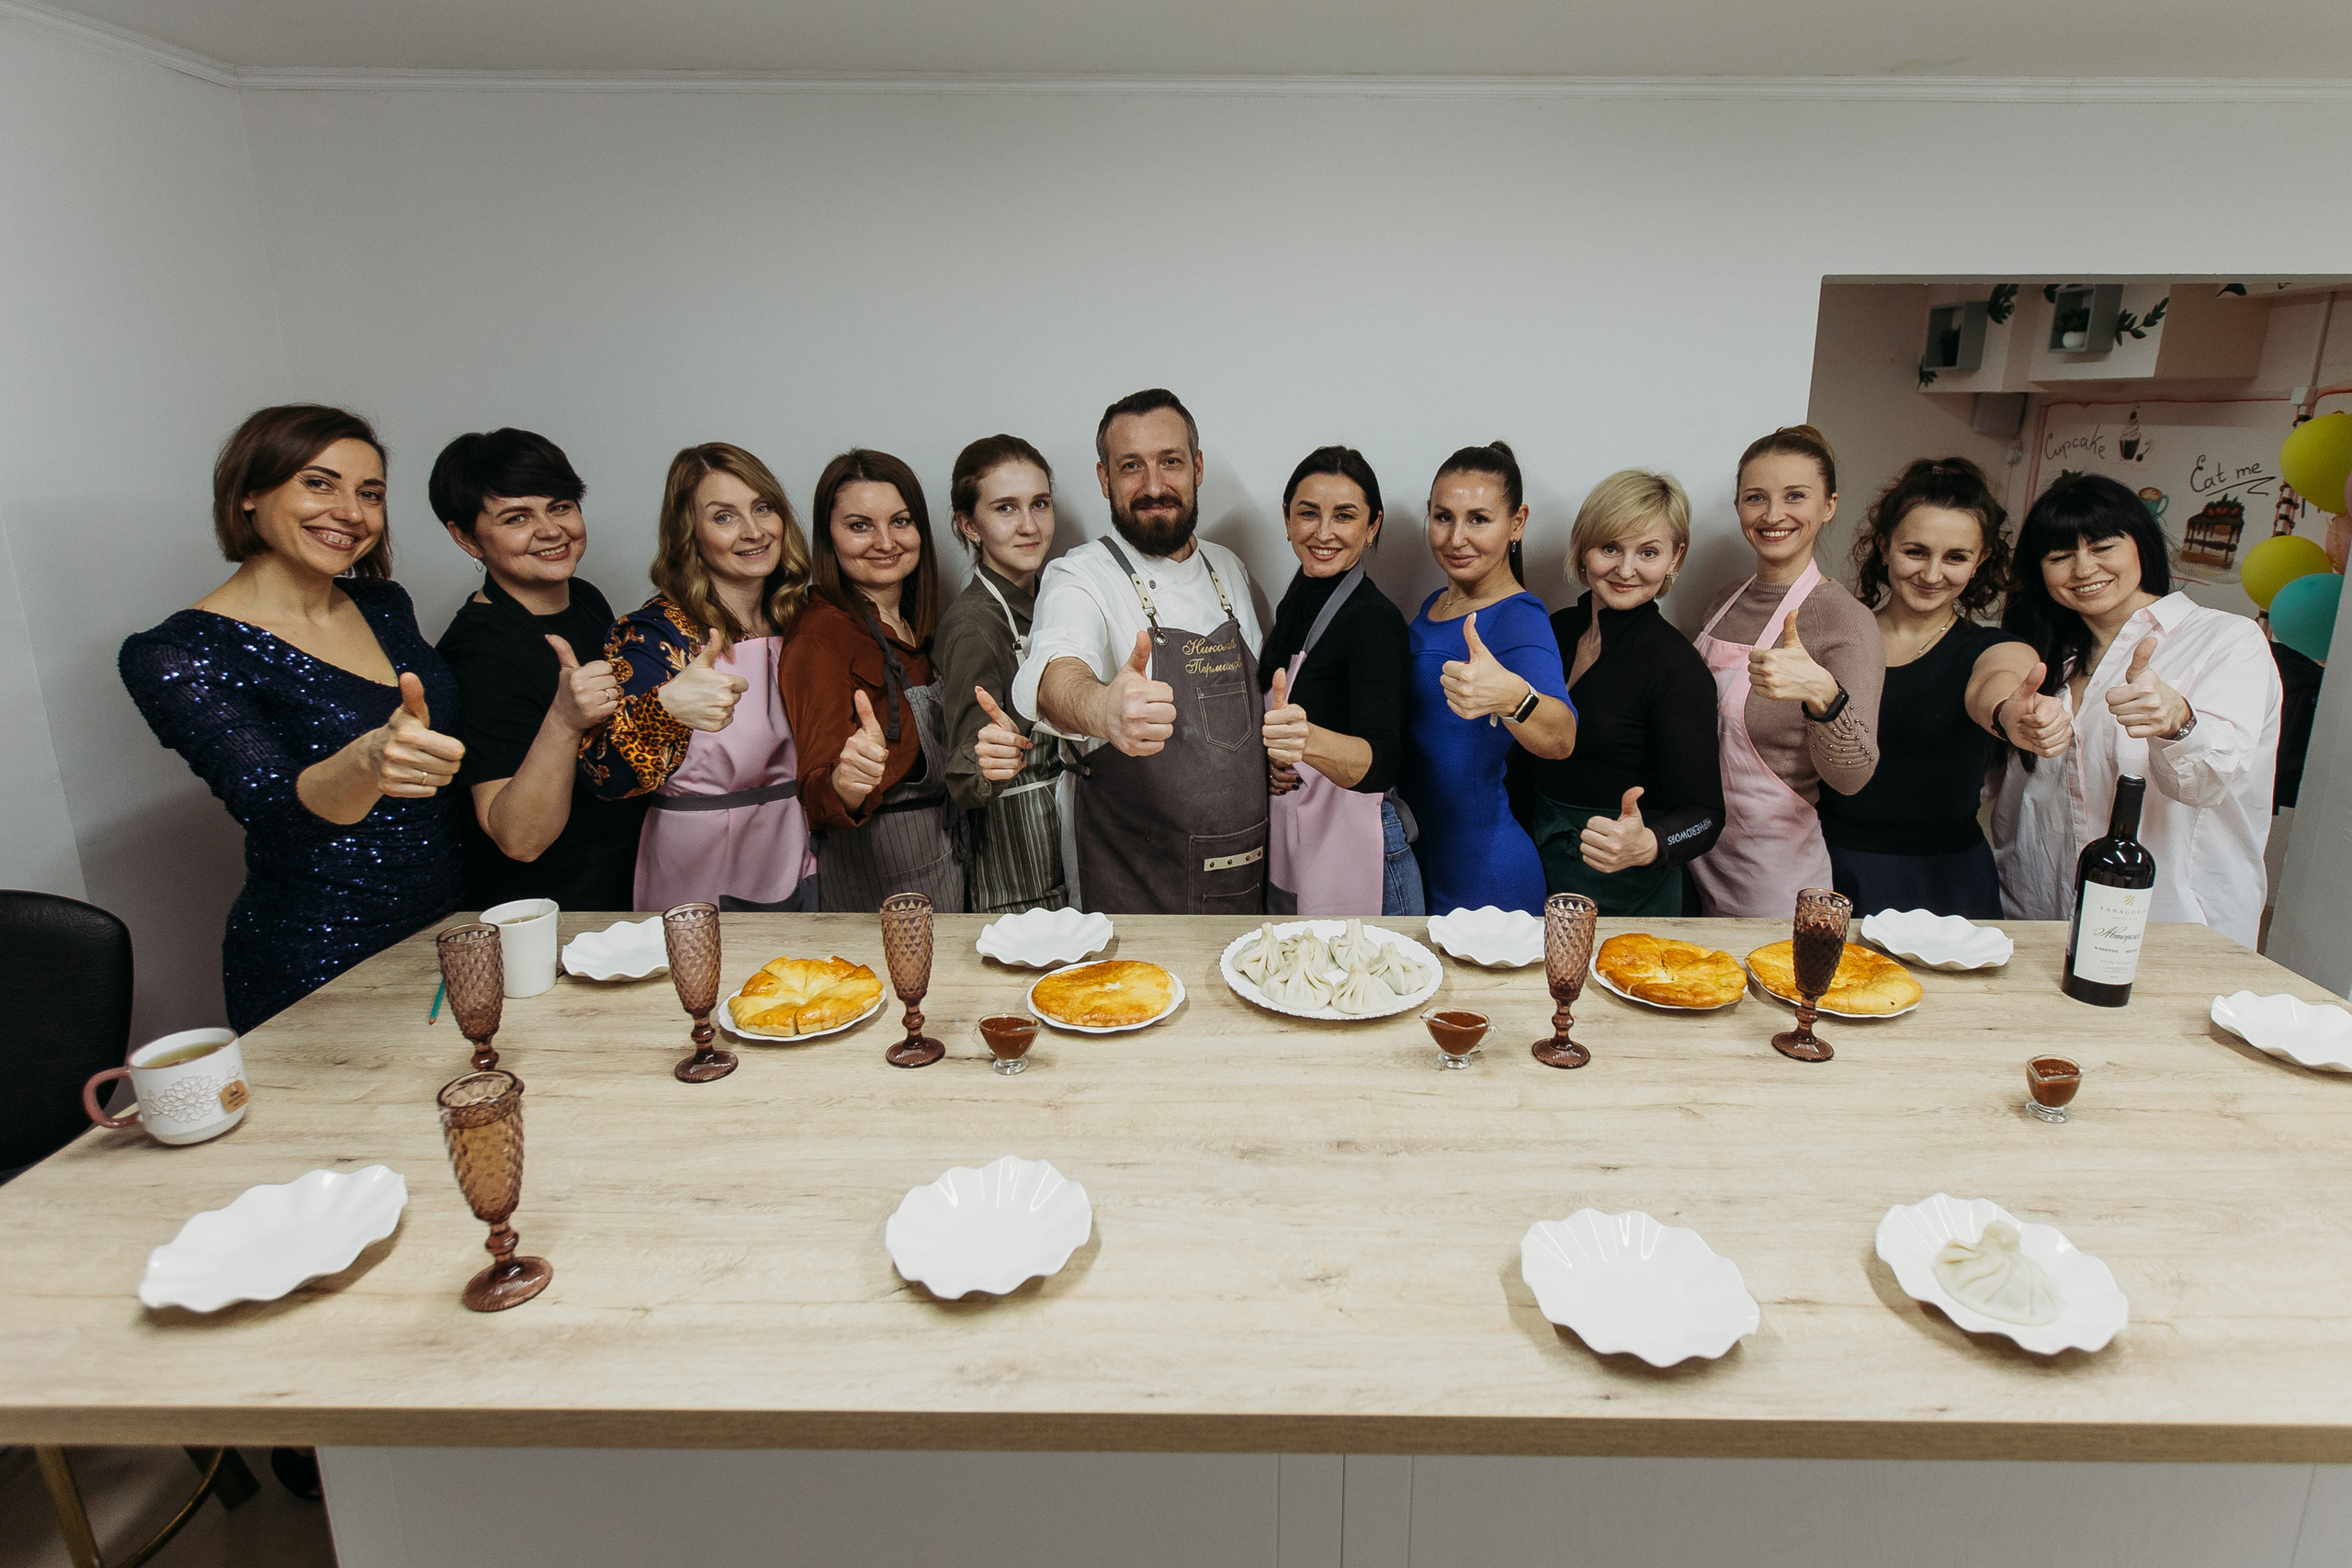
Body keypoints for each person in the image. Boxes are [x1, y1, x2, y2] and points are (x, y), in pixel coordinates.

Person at [120, 405, 464, 1032]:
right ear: (250, 493)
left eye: (370, 493)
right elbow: (275, 809)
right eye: (319, 483)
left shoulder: (384, 604)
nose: (351, 512)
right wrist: (365, 760)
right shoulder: (179, 652)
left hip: (445, 923)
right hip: (319, 949)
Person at [1992, 472, 2280, 947]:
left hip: (2173, 928)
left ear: (2140, 544)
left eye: (2103, 546)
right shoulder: (2045, 661)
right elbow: (2015, 800)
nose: (2083, 569)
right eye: (2060, 556)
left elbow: (2210, 782)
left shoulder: (2224, 639)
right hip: (2038, 920)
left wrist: (2179, 721)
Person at [1012, 389, 1267, 915]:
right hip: (1134, 885)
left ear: (1197, 467)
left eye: (1170, 462)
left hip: (1245, 876)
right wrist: (1103, 709)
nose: (1154, 486)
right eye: (1131, 466)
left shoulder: (1230, 570)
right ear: (1105, 479)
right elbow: (1056, 674)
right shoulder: (1079, 575)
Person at [1822, 457, 2071, 918]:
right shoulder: (1835, 637)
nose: (1933, 574)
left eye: (1955, 557)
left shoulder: (1990, 648)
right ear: (1884, 546)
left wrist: (2015, 714)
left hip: (1944, 885)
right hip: (1827, 869)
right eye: (1915, 551)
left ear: (1981, 562)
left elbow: (1998, 685)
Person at [580, 443, 817, 911]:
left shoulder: (801, 618)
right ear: (690, 534)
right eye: (724, 517)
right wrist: (663, 709)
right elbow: (603, 775)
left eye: (763, 508)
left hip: (796, 846)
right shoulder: (655, 634)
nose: (753, 531)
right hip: (699, 861)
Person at [431, 428, 645, 912]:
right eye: (516, 517)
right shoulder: (476, 654)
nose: (551, 531)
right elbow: (518, 839)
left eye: (561, 506)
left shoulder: (586, 598)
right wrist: (565, 719)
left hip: (626, 888)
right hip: (548, 914)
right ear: (466, 538)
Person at [1689, 424, 1883, 918]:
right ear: (1738, 508)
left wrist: (1824, 695)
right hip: (1693, 850)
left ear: (1829, 505)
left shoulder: (1845, 620)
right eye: (1757, 498)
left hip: (1771, 873)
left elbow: (1854, 778)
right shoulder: (1723, 600)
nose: (1774, 515)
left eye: (1795, 496)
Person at [1507, 469, 1722, 915]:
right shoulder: (1555, 631)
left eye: (1648, 552)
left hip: (1629, 890)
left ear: (1675, 558)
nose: (1626, 570)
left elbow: (1705, 814)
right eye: (1610, 548)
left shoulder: (1678, 668)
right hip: (1536, 869)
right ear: (1583, 549)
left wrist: (1648, 844)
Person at [777, 449, 963, 912]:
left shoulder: (918, 628)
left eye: (900, 521)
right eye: (859, 525)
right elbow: (816, 792)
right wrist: (846, 782)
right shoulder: (820, 634)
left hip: (946, 858)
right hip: (878, 874)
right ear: (829, 537)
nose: (885, 542)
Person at [1396, 442, 1577, 915]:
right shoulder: (1434, 604)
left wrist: (1514, 697)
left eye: (1479, 518)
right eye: (1442, 517)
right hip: (1416, 859)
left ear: (1516, 523)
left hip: (1485, 878)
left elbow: (1561, 739)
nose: (1456, 538)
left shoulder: (1520, 617)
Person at [1257, 446, 1422, 916]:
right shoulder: (1291, 605)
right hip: (1302, 845)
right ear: (1287, 519)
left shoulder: (1373, 620)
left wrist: (1301, 740)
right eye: (1308, 514)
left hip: (1365, 854)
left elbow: (1381, 764)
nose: (1323, 533)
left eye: (1345, 516)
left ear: (1372, 527)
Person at [939, 435, 1068, 914]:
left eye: (1040, 504)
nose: (1030, 525)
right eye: (1006, 509)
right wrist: (987, 763)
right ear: (969, 525)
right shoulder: (973, 624)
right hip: (1014, 861)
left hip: (1063, 838)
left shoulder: (1054, 602)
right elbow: (964, 777)